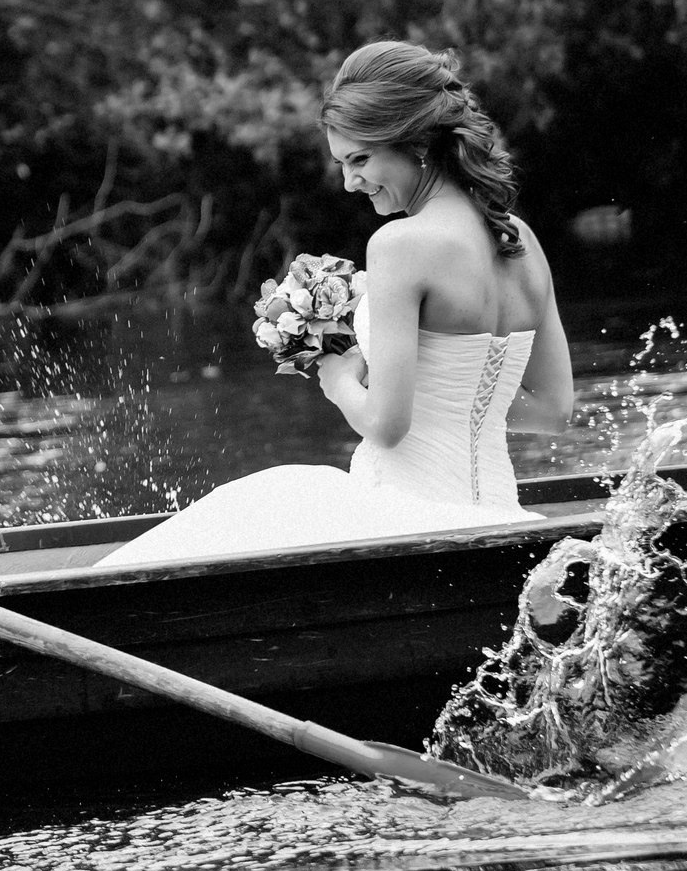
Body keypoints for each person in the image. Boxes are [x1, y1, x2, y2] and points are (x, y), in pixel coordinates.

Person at [107, 41, 575, 566]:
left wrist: (338, 380)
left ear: (417, 143)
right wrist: (451, 402)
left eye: (360, 159)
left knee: (247, 510)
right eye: (342, 163)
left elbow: (386, 427)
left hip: (409, 525)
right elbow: (554, 411)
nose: (351, 182)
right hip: (501, 518)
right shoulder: (521, 240)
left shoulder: (400, 246)